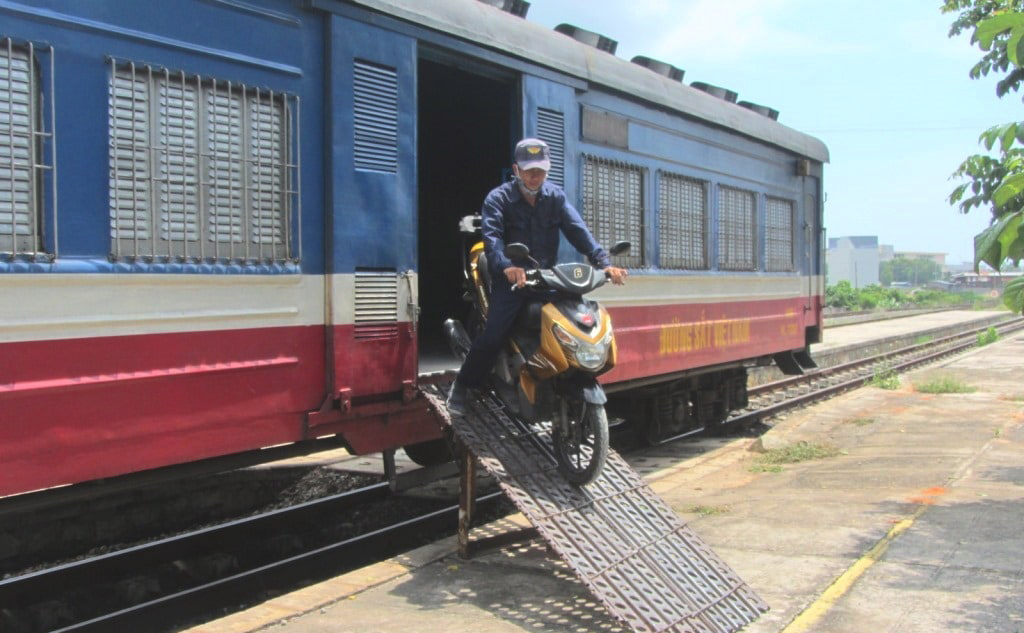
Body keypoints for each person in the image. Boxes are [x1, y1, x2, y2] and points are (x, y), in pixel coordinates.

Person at [447, 138, 628, 416]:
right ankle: (462, 386)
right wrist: (508, 266)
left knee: (569, 320)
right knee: (494, 335)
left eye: (541, 170)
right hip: (511, 281)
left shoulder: (554, 197)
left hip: (544, 279)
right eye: (529, 169)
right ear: (516, 169)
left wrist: (604, 263)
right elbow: (492, 239)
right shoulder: (498, 199)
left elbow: (578, 230)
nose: (535, 176)